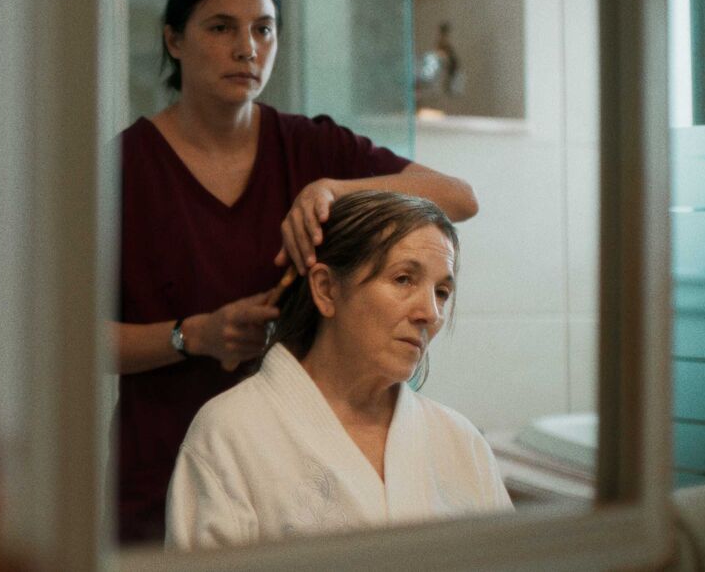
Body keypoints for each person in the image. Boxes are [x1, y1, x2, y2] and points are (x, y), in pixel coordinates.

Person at [115, 0, 480, 543]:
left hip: (298, 472)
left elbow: (459, 198)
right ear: (173, 39)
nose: (247, 48)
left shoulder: (309, 147)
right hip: (157, 471)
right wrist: (193, 336)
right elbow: (70, 341)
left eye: (263, 29)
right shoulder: (124, 168)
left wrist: (334, 189)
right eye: (221, 27)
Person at [165, 191, 512, 549]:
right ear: (327, 289)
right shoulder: (230, 433)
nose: (430, 313)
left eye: (441, 292)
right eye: (403, 279)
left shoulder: (459, 441)